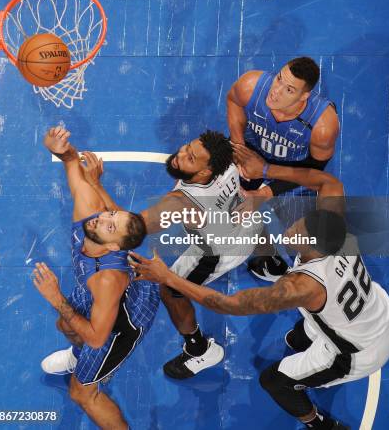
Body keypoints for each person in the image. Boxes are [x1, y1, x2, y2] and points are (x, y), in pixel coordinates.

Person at [130, 163, 389, 430]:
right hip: (377, 310)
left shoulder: (302, 286)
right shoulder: (334, 228)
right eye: (300, 222)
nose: (292, 228)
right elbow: (327, 181)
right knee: (298, 336)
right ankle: (311, 334)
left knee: (274, 381)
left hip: (356, 351)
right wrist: (266, 173)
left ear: (314, 249)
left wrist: (169, 278)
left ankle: (318, 423)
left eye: (299, 233)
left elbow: (228, 304)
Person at [85, 130, 261, 380]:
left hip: (219, 250)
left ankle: (199, 349)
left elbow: (130, 229)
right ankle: (271, 262)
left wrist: (94, 184)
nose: (179, 155)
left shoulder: (180, 203)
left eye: (189, 158)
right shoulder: (228, 156)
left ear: (204, 173)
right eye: (186, 148)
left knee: (170, 290)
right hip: (253, 219)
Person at [32, 127, 160, 430]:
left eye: (109, 224)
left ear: (113, 245)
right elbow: (71, 162)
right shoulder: (92, 216)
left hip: (124, 322)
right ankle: (78, 359)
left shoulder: (107, 279)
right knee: (64, 324)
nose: (102, 217)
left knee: (82, 393)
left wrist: (56, 298)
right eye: (109, 216)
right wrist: (59, 149)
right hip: (100, 293)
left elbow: (97, 337)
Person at [227, 56, 340, 280]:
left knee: (301, 240)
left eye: (289, 89)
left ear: (304, 96)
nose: (276, 91)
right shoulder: (251, 85)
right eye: (279, 78)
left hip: (293, 170)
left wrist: (266, 190)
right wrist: (239, 147)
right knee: (224, 201)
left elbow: (315, 171)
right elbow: (234, 100)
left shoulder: (323, 126)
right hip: (252, 152)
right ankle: (260, 247)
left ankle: (276, 262)